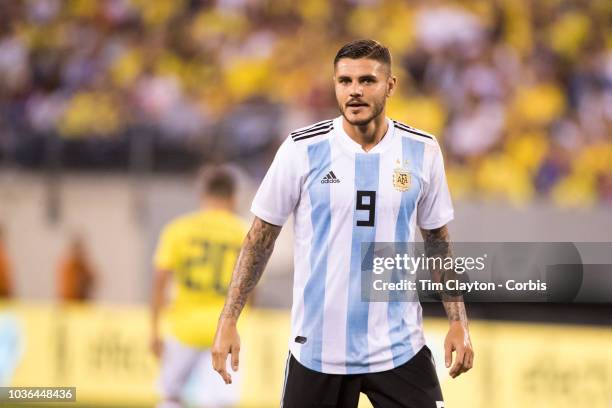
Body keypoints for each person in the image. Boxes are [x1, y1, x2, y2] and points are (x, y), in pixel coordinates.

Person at [212, 39, 474, 407]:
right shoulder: (302, 149)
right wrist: (228, 319)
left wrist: (458, 320)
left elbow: (437, 242)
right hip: (318, 349)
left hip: (398, 346)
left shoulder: (422, 150)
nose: (354, 91)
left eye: (367, 80)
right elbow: (259, 239)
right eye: (344, 81)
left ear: (390, 86)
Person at [151, 165, 248, 408]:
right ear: (233, 196)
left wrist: (154, 329)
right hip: (225, 328)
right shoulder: (243, 232)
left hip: (183, 327)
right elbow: (252, 286)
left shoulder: (178, 229)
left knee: (171, 396)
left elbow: (160, 283)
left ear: (202, 194)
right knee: (220, 400)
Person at [57, 233, 96, 301]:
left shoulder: (84, 266)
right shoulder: (68, 266)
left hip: (81, 302)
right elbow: (68, 288)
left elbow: (93, 278)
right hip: (69, 302)